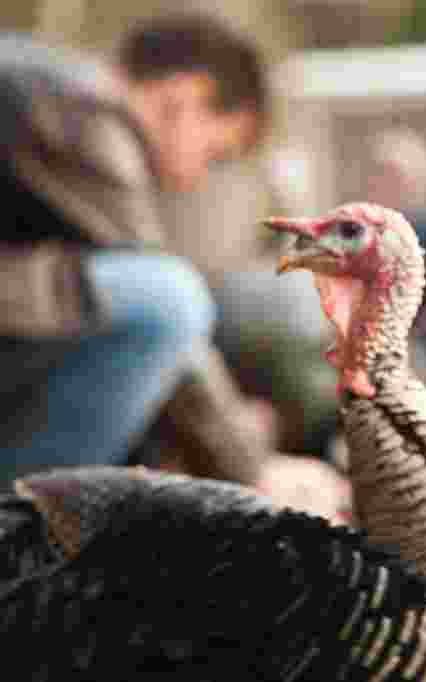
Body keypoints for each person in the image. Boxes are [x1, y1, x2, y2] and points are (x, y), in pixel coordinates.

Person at [0, 14, 350, 521]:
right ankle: (19, 532)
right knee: (170, 302)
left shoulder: (44, 86)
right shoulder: (83, 111)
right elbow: (172, 337)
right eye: (214, 153)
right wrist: (254, 470)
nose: (193, 179)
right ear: (184, 96)